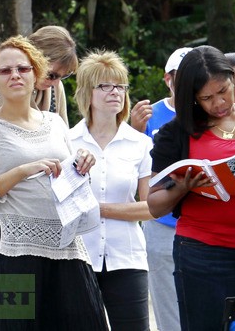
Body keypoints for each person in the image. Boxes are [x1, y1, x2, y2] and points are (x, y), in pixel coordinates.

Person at [0, 36, 107, 330]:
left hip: (66, 247)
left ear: (36, 73)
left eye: (22, 69)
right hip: (12, 250)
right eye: (5, 71)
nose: (14, 75)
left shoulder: (55, 124)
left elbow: (69, 175)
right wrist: (22, 171)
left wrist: (82, 163)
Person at [147, 45, 235, 331]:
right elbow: (154, 204)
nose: (219, 103)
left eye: (224, 91)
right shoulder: (177, 132)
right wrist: (182, 187)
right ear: (192, 98)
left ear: (233, 80)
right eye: (207, 98)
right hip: (204, 254)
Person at [69, 50, 154, 331]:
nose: (115, 92)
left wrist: (98, 209)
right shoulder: (66, 141)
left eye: (120, 86)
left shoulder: (140, 144)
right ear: (87, 93)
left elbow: (151, 207)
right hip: (77, 257)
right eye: (105, 85)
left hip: (127, 258)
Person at [134, 46, 192, 331]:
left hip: (198, 219)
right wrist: (133, 129)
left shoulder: (210, 112)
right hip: (161, 221)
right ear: (167, 79)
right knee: (166, 301)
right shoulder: (149, 114)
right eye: (177, 76)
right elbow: (134, 167)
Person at [0, 25, 78, 125]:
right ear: (36, 61)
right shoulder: (2, 77)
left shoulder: (56, 87)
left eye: (63, 76)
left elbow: (64, 135)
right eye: (51, 75)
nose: (56, 83)